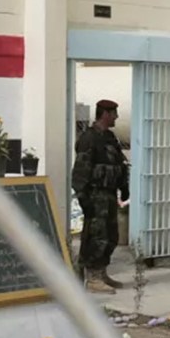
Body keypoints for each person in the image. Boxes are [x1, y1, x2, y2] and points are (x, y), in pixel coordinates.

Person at [72, 99, 129, 293]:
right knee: (97, 236)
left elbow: (119, 164)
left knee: (111, 236)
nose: (116, 117)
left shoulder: (110, 137)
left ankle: (102, 272)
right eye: (114, 113)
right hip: (95, 195)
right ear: (105, 114)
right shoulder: (89, 138)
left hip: (109, 194)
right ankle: (93, 277)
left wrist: (124, 186)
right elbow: (80, 171)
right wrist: (83, 198)